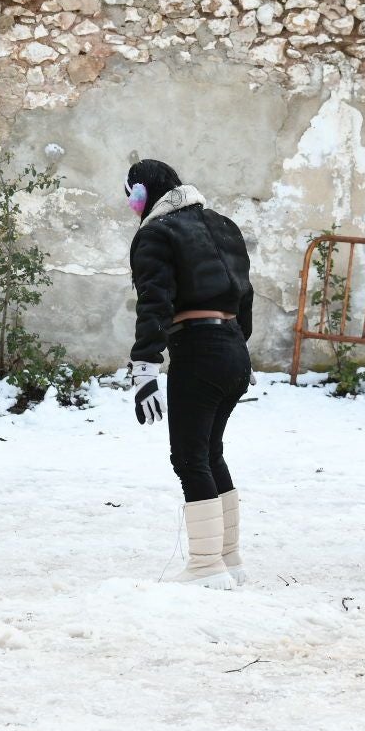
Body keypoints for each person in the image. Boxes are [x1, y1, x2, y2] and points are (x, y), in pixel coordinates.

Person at [125, 159, 254, 589]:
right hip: (233, 348)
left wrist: (144, 366)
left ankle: (205, 567)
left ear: (142, 194)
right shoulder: (223, 225)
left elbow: (154, 303)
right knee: (210, 453)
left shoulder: (156, 234)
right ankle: (228, 558)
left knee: (189, 457)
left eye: (130, 193)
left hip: (199, 349)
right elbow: (246, 294)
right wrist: (238, 347)